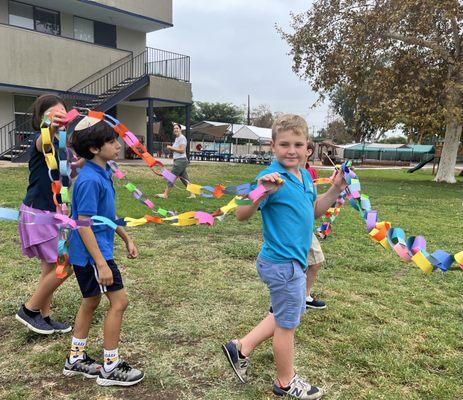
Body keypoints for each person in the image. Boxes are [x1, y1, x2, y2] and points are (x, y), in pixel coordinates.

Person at [222, 114, 345, 399]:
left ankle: (240, 348)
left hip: (294, 264)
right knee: (287, 327)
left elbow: (314, 209)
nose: (292, 150)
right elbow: (241, 214)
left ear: (308, 149)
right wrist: (261, 191)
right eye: (285, 144)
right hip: (282, 264)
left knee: (283, 315)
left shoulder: (304, 176)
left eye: (298, 144)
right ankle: (285, 382)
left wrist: (335, 190)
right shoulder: (270, 177)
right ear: (273, 147)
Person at [63, 117, 144, 386]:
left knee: (91, 301)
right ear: (95, 148)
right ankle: (110, 367)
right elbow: (84, 225)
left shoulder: (103, 173)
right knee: (119, 302)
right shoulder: (88, 180)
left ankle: (75, 359)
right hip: (93, 255)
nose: (118, 145)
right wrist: (102, 263)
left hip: (94, 253)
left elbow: (105, 216)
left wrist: (125, 237)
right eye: (111, 141)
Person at [15, 94, 73, 335]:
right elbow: (44, 139)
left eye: (63, 112)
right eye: (53, 113)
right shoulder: (42, 139)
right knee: (64, 265)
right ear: (41, 119)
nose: (60, 116)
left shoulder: (62, 143)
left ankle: (44, 316)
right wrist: (51, 124)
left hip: (51, 213)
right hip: (39, 213)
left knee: (49, 268)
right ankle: (29, 310)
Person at [304, 143, 326, 310]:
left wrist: (337, 187)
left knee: (316, 260)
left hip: (305, 226)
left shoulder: (310, 173)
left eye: (299, 145)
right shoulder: (281, 174)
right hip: (294, 230)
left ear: (308, 152)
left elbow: (314, 201)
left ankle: (304, 296)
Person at [156, 123, 195, 199]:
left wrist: (172, 148)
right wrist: (170, 149)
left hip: (181, 161)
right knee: (184, 179)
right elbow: (176, 150)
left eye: (177, 128)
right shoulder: (177, 139)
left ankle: (165, 194)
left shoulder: (182, 138)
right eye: (174, 129)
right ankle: (193, 194)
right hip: (179, 160)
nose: (175, 130)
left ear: (180, 129)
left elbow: (182, 150)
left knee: (171, 177)